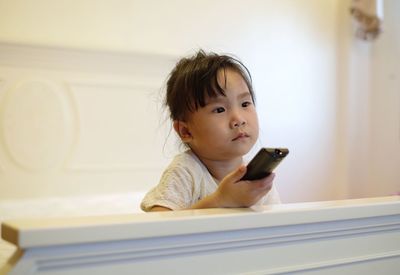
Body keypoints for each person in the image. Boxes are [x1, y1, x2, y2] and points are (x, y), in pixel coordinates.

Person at [141, 50, 281, 212]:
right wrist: (220, 200)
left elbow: (277, 225)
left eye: (245, 104)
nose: (239, 119)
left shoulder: (256, 178)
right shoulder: (186, 172)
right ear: (186, 131)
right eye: (220, 109)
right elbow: (158, 224)